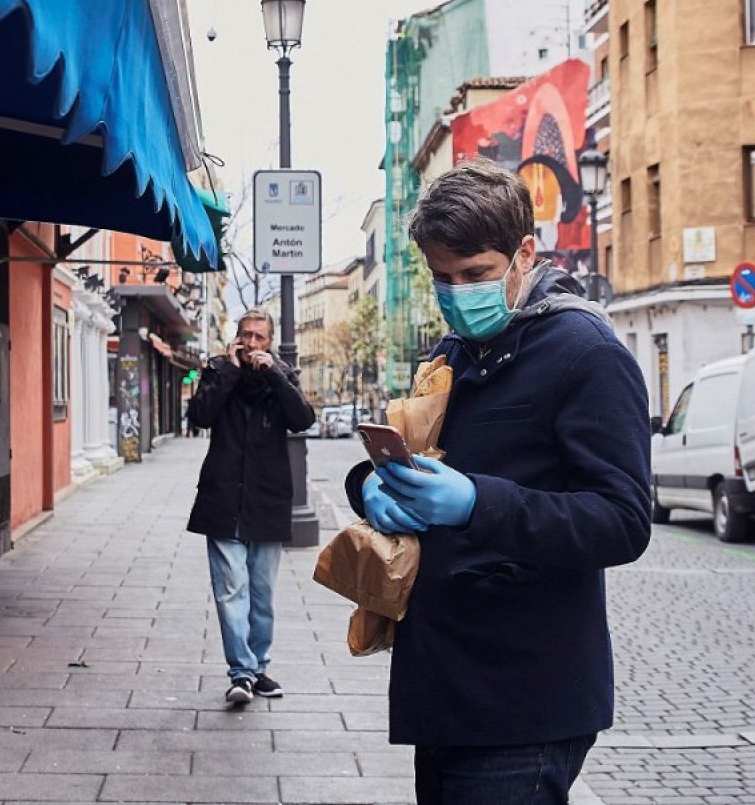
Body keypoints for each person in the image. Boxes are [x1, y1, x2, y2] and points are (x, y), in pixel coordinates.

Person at [343, 160, 652, 804]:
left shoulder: (585, 352)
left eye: (476, 275)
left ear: (524, 254)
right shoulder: (453, 351)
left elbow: (622, 519)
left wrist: (478, 503)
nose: (457, 293)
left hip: (524, 694)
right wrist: (371, 487)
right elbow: (421, 456)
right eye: (442, 278)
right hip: (445, 683)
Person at [186, 309, 316, 704]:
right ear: (236, 338)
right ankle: (241, 673)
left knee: (261, 594)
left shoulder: (282, 376)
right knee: (230, 592)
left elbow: (302, 419)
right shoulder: (219, 370)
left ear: (271, 341)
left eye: (260, 337)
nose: (253, 344)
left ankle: (259, 668)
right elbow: (200, 416)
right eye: (247, 336)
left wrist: (275, 374)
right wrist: (227, 368)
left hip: (266, 500)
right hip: (223, 499)